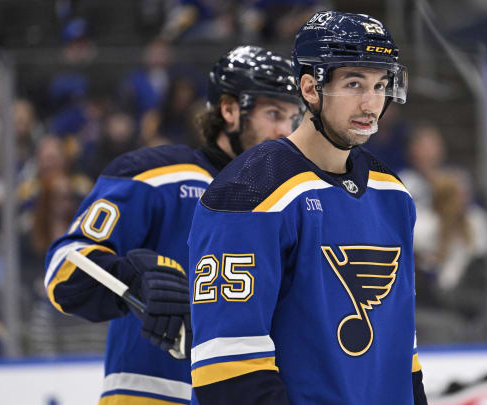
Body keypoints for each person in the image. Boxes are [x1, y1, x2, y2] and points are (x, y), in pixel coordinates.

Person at [188, 11, 427, 405]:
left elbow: (400, 349)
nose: (371, 103)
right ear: (311, 88)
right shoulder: (250, 191)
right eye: (354, 84)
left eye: (380, 85)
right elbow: (227, 368)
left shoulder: (393, 193)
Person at [43, 45, 302, 404]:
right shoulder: (157, 176)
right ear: (229, 110)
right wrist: (130, 278)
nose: (285, 131)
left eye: (293, 119)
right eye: (273, 113)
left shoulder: (291, 202)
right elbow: (64, 266)